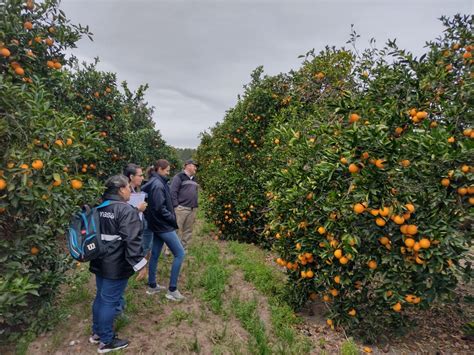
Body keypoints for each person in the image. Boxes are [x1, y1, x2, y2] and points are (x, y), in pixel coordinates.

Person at [89, 175, 146, 353]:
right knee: (110, 301)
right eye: (129, 187)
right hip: (116, 263)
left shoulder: (99, 208)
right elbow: (133, 241)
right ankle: (106, 341)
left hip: (100, 260)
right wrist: (140, 264)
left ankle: (97, 332)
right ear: (121, 189)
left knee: (101, 297)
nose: (130, 190)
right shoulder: (126, 210)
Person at [142, 159, 186, 301]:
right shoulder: (157, 185)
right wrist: (172, 219)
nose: (168, 172)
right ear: (160, 169)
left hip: (156, 225)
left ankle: (152, 285)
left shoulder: (155, 182)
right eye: (167, 170)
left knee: (155, 253)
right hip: (163, 225)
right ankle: (172, 290)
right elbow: (159, 208)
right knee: (180, 253)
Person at [123, 163, 152, 281]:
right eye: (139, 175)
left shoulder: (135, 189)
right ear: (131, 177)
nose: (142, 178)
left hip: (139, 222)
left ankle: (140, 269)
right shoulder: (124, 191)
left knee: (144, 246)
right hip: (131, 227)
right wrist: (138, 209)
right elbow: (123, 212)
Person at [170, 159, 199, 250]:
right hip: (181, 208)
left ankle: (183, 249)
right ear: (188, 166)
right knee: (176, 230)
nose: (196, 168)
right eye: (194, 166)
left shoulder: (195, 179)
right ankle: (170, 250)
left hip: (192, 209)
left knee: (188, 231)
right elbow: (173, 192)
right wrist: (176, 206)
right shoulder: (179, 177)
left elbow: (195, 192)